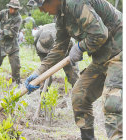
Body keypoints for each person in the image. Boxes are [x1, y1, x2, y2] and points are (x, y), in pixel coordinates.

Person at [26, 0, 122, 139]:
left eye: (42, 5)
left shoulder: (75, 2)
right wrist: (38, 73)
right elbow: (59, 48)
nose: (41, 11)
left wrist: (80, 47)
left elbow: (100, 34)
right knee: (79, 96)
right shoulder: (61, 17)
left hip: (119, 51)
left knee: (113, 103)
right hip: (102, 58)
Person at [33, 23, 79, 88]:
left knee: (73, 75)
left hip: (65, 50)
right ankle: (43, 93)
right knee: (44, 73)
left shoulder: (66, 39)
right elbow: (41, 56)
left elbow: (64, 55)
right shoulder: (37, 37)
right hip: (45, 50)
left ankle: (78, 94)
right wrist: (43, 70)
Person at [0, 0, 22, 84]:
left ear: (17, 9)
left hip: (12, 45)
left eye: (15, 9)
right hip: (2, 43)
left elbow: (13, 33)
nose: (12, 10)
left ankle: (17, 83)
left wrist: (2, 32)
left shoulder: (18, 18)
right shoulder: (3, 13)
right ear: (9, 7)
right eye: (11, 8)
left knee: (15, 66)